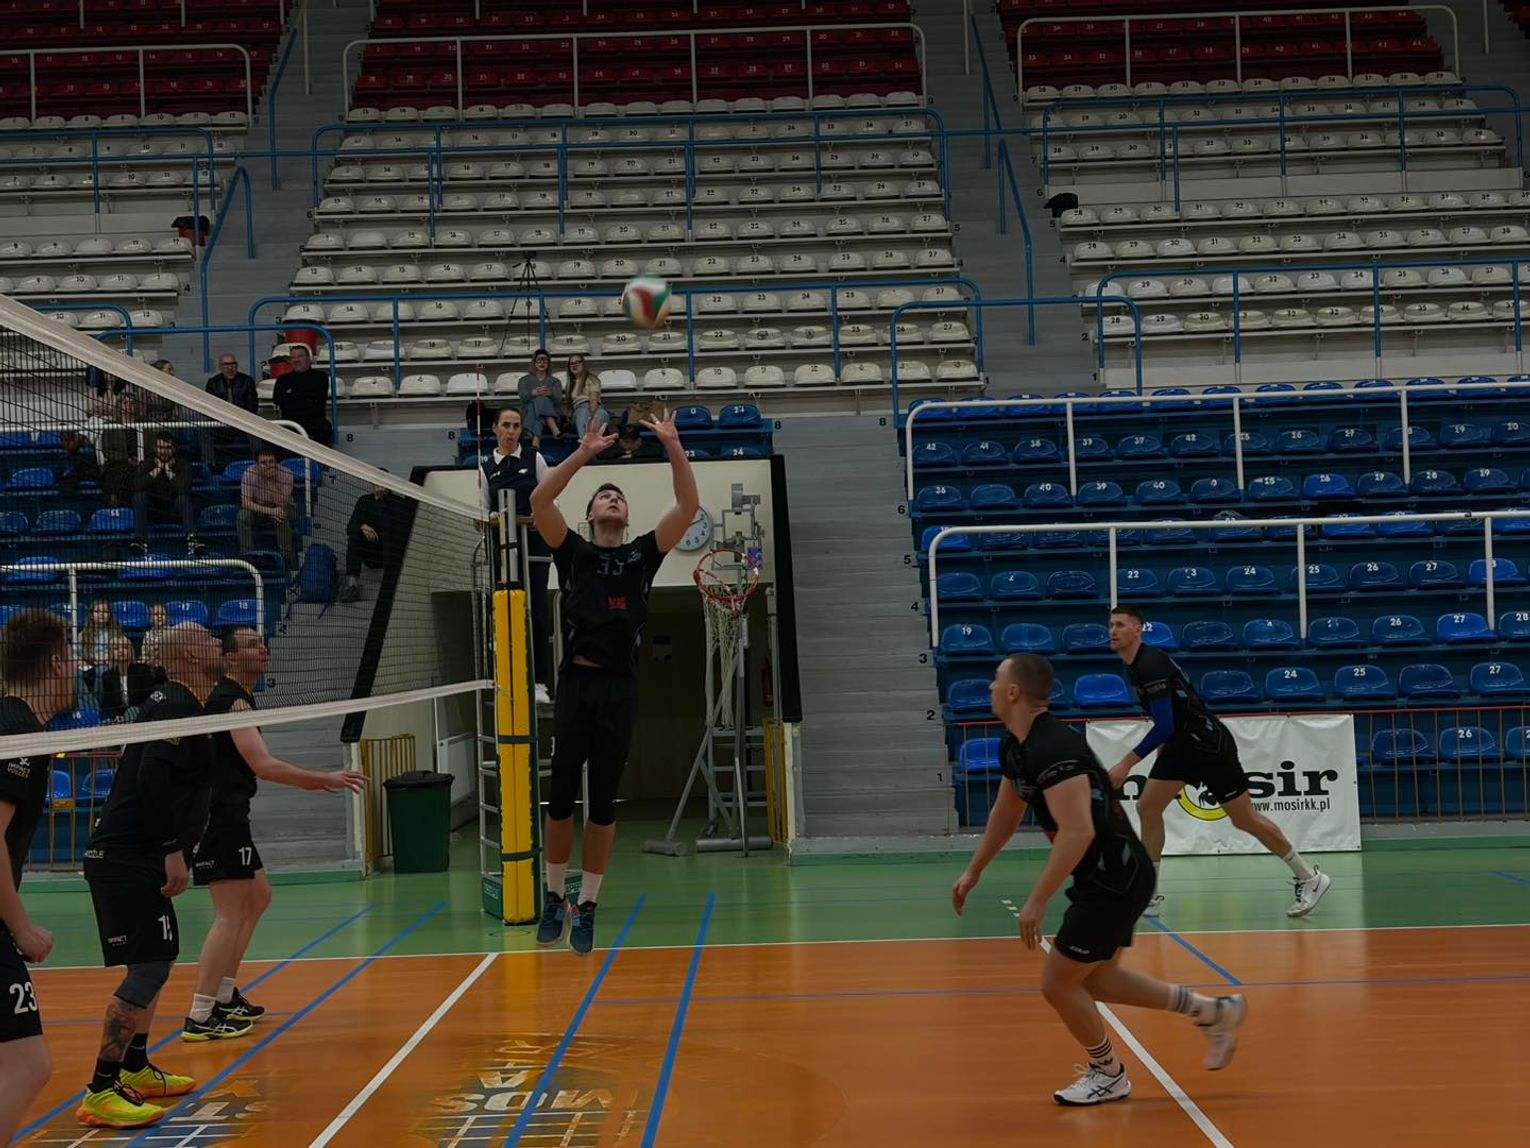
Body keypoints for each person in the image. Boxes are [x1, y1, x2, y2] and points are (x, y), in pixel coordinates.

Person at [952, 653, 1246, 1107]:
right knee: (1100, 981)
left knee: (1057, 983)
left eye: (996, 680)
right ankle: (1214, 1012)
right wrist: (975, 869)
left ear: (1013, 692)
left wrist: (1037, 900)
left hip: (1116, 876)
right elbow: (1008, 809)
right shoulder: (1015, 744)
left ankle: (1108, 1073)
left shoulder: (1054, 748)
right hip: (1110, 875)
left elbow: (1078, 832)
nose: (990, 687)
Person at [529, 411, 698, 955]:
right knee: (560, 797)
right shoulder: (572, 552)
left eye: (618, 496)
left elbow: (688, 506)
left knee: (602, 803)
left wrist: (672, 445)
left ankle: (588, 905)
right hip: (576, 684)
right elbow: (539, 502)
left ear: (626, 517)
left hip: (621, 690)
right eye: (604, 496)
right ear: (590, 514)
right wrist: (582, 454)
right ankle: (554, 895)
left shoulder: (642, 554)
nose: (612, 499)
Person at [182, 626, 365, 1042]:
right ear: (229, 658)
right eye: (251, 645)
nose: (262, 648)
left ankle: (224, 995)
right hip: (218, 817)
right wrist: (321, 779)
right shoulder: (230, 701)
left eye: (262, 642)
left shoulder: (241, 697)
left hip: (231, 814)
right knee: (230, 913)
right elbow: (262, 765)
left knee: (259, 896)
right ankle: (200, 1013)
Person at [76, 623, 223, 1130]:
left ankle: (134, 1066)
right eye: (207, 638)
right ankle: (101, 1089)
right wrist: (172, 850)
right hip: (125, 857)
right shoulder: (174, 705)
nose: (218, 642)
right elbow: (151, 778)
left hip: (136, 855)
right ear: (187, 654)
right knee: (149, 968)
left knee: (156, 960)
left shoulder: (183, 704)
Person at [1105, 605, 1332, 918]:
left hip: (1207, 747)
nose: (1113, 631)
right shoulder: (1135, 665)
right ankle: (1150, 893)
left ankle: (1310, 878)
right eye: (1111, 625)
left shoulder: (1150, 665)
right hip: (1181, 746)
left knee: (1245, 819)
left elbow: (1166, 724)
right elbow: (1175, 711)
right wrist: (1163, 751)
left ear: (1137, 630)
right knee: (1148, 807)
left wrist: (1125, 763)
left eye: (1120, 625)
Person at [0, 610, 77, 1145]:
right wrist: (21, 927)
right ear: (57, 664)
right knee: (28, 1065)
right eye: (72, 655)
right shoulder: (18, 732)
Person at [479, 407, 552, 703]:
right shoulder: (485, 467)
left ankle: (539, 681)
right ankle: (506, 679)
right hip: (502, 548)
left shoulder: (535, 459)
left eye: (516, 426)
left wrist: (538, 516)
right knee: (505, 611)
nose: (511, 431)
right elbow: (483, 510)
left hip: (534, 547)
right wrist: (492, 519)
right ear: (496, 429)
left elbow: (551, 497)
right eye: (506, 425)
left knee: (537, 610)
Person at [131, 431, 203, 557]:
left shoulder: (183, 465)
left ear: (174, 449)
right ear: (155, 448)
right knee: (139, 497)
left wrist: (168, 470)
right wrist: (157, 470)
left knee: (184, 499)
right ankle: (140, 541)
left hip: (174, 511)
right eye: (160, 448)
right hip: (153, 511)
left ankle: (192, 540)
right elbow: (137, 486)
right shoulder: (147, 463)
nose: (163, 452)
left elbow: (183, 489)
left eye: (168, 448)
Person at [340, 480, 407, 603]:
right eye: (377, 483)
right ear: (372, 485)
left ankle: (390, 584)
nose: (380, 486)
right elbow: (350, 528)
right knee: (354, 536)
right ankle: (352, 584)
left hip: (391, 554)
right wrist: (362, 526)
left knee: (388, 534)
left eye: (383, 483)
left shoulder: (398, 503)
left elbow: (403, 532)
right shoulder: (364, 501)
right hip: (371, 554)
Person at [236, 445, 295, 563]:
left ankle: (285, 558)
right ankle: (247, 556)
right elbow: (246, 503)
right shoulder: (249, 474)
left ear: (276, 462)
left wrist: (270, 480)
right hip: (258, 509)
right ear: (256, 465)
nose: (268, 465)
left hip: (280, 507)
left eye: (271, 462)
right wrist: (270, 511)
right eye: (263, 462)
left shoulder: (287, 474)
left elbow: (282, 503)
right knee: (242, 516)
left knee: (282, 516)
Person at [271, 344, 333, 447]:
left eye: (300, 356)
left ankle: (318, 457)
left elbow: (318, 398)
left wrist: (291, 394)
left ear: (308, 359)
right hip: (290, 421)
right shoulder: (283, 379)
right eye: (293, 357)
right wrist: (304, 395)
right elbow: (277, 399)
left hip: (314, 421)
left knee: (324, 428)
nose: (296, 360)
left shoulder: (320, 377)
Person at [90, 636, 155, 724]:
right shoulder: (108, 675)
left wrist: (126, 716)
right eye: (116, 648)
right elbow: (108, 705)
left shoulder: (142, 670)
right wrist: (116, 716)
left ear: (131, 651)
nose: (121, 651)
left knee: (132, 711)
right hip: (118, 716)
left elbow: (148, 699)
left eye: (125, 648)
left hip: (140, 712)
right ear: (111, 653)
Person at [517, 348, 564, 444]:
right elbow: (523, 398)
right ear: (534, 363)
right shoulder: (524, 380)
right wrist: (533, 393)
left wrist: (550, 394)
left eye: (545, 360)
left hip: (552, 412)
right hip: (528, 412)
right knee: (538, 400)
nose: (542, 363)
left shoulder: (555, 381)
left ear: (548, 363)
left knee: (540, 400)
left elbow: (559, 400)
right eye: (539, 360)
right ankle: (554, 428)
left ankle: (536, 439)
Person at [566, 354, 606, 438]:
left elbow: (593, 398)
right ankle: (585, 441)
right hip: (579, 408)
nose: (574, 365)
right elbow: (569, 404)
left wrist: (592, 414)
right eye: (571, 363)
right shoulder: (569, 383)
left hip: (595, 406)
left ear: (583, 364)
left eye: (577, 362)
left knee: (602, 414)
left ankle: (592, 441)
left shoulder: (592, 379)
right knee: (583, 412)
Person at [80, 599, 126, 670]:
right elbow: (76, 654)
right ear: (92, 615)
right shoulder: (83, 634)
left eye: (105, 611)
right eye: (97, 611)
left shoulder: (118, 633)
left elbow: (124, 651)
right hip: (89, 666)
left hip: (110, 665)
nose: (101, 614)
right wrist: (81, 661)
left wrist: (110, 657)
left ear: (110, 615)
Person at [597, 423, 662, 464]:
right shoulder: (613, 446)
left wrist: (633, 454)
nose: (629, 445)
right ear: (620, 440)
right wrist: (624, 452)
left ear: (639, 440)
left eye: (632, 442)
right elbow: (601, 455)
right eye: (626, 442)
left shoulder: (648, 447)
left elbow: (656, 451)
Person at [140, 604, 170, 673]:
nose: (159, 616)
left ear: (167, 618)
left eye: (162, 614)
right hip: (151, 666)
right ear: (150, 618)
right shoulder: (147, 635)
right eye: (156, 614)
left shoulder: (172, 632)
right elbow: (144, 654)